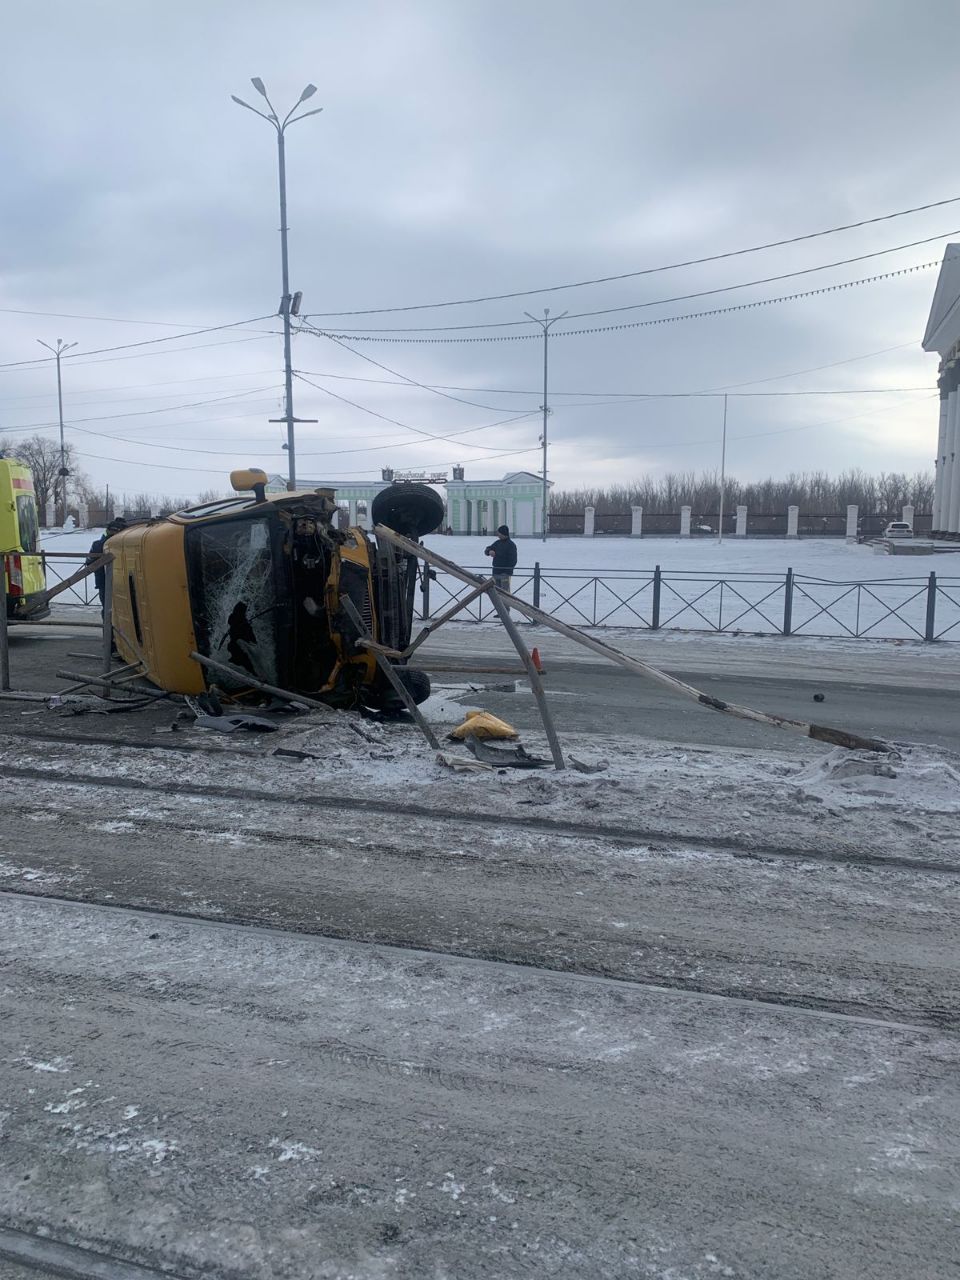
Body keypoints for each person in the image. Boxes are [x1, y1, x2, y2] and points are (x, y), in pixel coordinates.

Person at [86, 517, 126, 616]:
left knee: (109, 610)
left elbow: (88, 562)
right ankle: (109, 630)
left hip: (107, 583)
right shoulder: (100, 545)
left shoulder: (97, 544)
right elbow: (89, 562)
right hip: (109, 583)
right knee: (111, 611)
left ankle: (108, 629)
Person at [484, 524, 518, 594]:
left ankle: (505, 605)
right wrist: (489, 551)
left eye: (499, 533)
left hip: (505, 574)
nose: (498, 535)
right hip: (496, 572)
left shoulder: (511, 545)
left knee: (505, 593)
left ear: (503, 533)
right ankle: (498, 605)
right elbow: (487, 549)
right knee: (496, 593)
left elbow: (513, 560)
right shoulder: (497, 543)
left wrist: (507, 571)